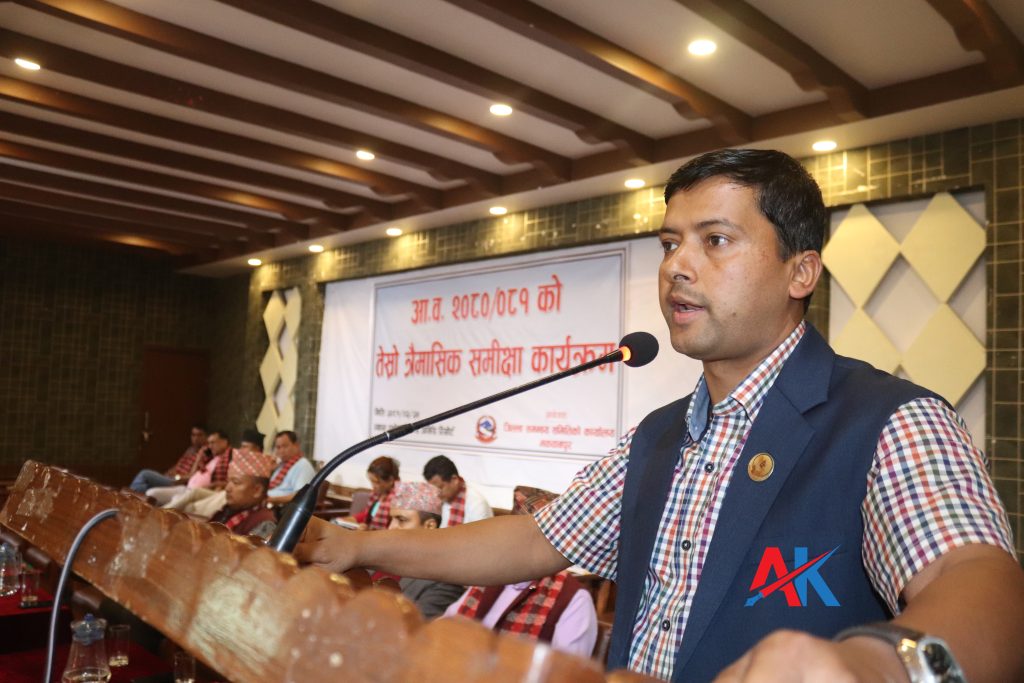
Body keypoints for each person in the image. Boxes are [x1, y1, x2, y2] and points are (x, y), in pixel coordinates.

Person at [295, 149, 1024, 682]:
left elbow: (979, 581)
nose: (677, 265)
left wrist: (875, 665)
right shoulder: (659, 435)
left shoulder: (890, 421)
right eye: (671, 243)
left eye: (716, 240)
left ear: (801, 271)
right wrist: (358, 547)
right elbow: (536, 538)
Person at [444, 489, 598, 658]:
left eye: (531, 538)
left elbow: (567, 670)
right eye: (513, 534)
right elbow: (448, 624)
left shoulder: (574, 599)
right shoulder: (493, 575)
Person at [387, 481, 465, 618]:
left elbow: (417, 628)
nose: (391, 528)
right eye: (391, 519)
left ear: (429, 526)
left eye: (401, 520)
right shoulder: (381, 559)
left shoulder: (444, 581)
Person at [164, 428, 266, 519]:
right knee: (190, 502)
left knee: (193, 504)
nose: (241, 450)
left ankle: (166, 514)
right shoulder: (225, 458)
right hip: (212, 490)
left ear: (257, 448)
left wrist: (216, 485)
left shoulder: (262, 469)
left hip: (225, 494)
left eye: (245, 447)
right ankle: (163, 514)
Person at [147, 430, 236, 506]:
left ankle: (160, 515)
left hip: (198, 492)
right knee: (151, 493)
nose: (210, 446)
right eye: (209, 443)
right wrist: (199, 458)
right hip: (186, 488)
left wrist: (212, 485)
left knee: (175, 499)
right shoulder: (209, 458)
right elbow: (192, 474)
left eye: (213, 442)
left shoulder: (231, 457)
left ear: (224, 442)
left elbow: (229, 481)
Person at [209, 448, 279, 539]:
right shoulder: (227, 510)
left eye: (236, 482)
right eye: (228, 481)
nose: (227, 488)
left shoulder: (265, 523)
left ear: (257, 490)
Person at [128, 424, 208, 494]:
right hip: (172, 477)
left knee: (144, 474)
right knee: (143, 485)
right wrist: (167, 474)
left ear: (206, 436)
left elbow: (193, 475)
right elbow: (178, 465)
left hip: (179, 482)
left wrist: (177, 478)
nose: (196, 438)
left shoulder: (205, 452)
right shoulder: (191, 449)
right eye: (193, 435)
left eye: (199, 435)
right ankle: (134, 501)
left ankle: (129, 498)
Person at [422, 455, 492, 527]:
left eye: (440, 488)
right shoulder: (447, 500)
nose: (436, 494)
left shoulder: (477, 505)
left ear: (454, 480)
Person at [347, 456, 400, 530]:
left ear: (391, 480)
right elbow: (368, 514)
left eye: (376, 482)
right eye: (371, 481)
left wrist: (369, 531)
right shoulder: (377, 495)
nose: (373, 486)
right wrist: (347, 520)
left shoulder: (398, 499)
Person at [266, 430, 315, 506]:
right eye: (278, 447)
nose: (281, 451)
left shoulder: (303, 465)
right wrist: (270, 470)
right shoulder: (281, 465)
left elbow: (301, 496)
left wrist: (270, 500)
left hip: (282, 508)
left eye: (285, 446)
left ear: (296, 446)